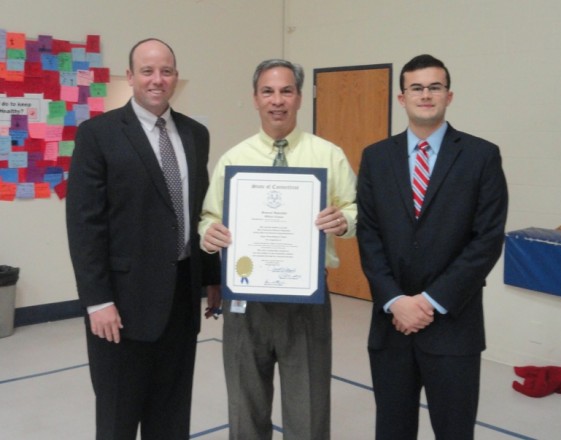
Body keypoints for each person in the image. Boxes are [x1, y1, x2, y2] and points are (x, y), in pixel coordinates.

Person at [66, 38, 221, 440]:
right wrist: (97, 300)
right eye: (148, 71)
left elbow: (199, 211)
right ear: (130, 76)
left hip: (182, 302)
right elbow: (85, 224)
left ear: (175, 77)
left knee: (171, 419)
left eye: (166, 71)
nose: (158, 80)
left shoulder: (195, 134)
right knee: (118, 419)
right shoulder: (97, 134)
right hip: (121, 306)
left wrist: (211, 277)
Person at [199, 59, 357, 440]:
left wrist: (345, 221)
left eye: (286, 91)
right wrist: (209, 233)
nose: (277, 100)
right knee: (245, 406)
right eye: (268, 91)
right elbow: (209, 215)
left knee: (308, 409)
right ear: (255, 99)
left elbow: (354, 210)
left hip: (307, 300)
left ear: (300, 97)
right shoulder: (234, 159)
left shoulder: (328, 155)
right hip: (245, 300)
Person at [356, 54, 508, 440]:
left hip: (453, 325)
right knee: (392, 429)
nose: (426, 95)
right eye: (417, 88)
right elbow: (369, 235)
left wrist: (429, 301)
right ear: (402, 98)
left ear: (449, 95)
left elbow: (487, 240)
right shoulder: (376, 158)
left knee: (454, 431)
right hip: (391, 326)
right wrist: (395, 299)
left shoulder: (481, 156)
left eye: (434, 87)